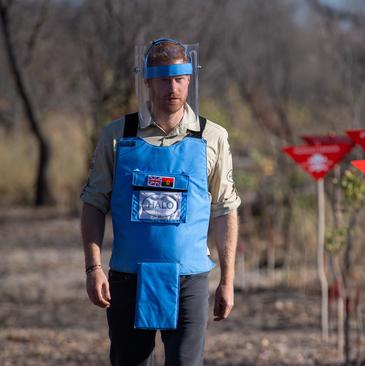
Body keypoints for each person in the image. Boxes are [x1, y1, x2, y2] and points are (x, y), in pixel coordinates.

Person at [80, 38, 240, 365]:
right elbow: (93, 203)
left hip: (189, 280)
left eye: (180, 78)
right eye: (164, 78)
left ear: (190, 79)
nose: (173, 87)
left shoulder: (212, 137)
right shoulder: (118, 135)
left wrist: (227, 280)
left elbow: (225, 209)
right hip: (127, 279)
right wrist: (93, 268)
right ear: (147, 80)